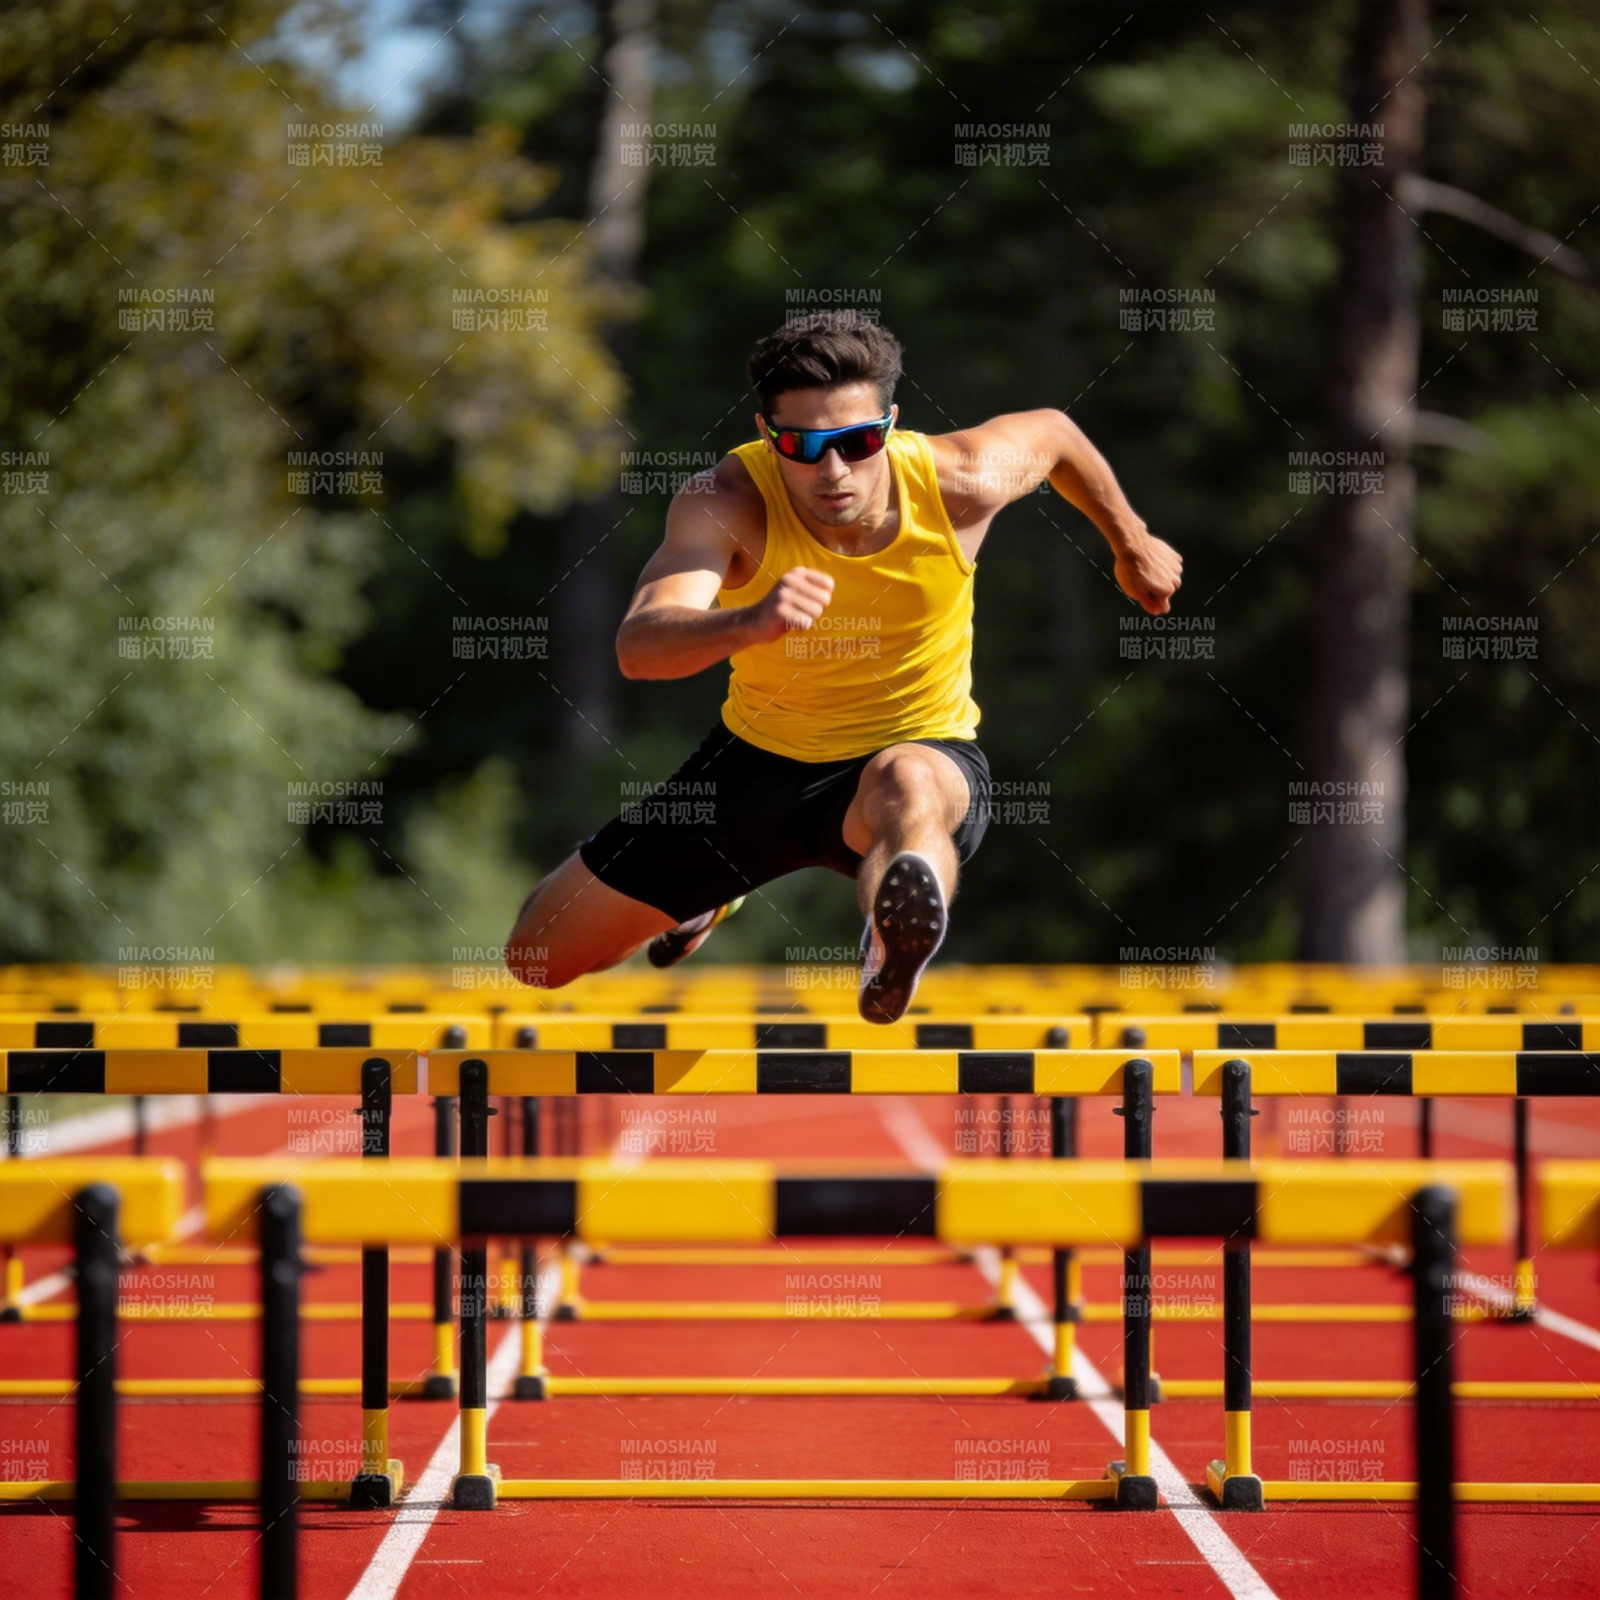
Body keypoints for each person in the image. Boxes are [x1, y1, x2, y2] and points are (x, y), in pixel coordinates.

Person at [506, 311, 1181, 1022]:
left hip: (920, 748)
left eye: (857, 443)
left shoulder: (959, 482)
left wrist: (1130, 541)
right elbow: (640, 648)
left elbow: (1055, 434)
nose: (833, 471)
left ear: (888, 424)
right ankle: (710, 895)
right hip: (756, 768)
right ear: (769, 437)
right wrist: (748, 621)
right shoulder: (726, 501)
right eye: (803, 446)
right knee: (537, 959)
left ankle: (892, 947)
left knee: (907, 780)